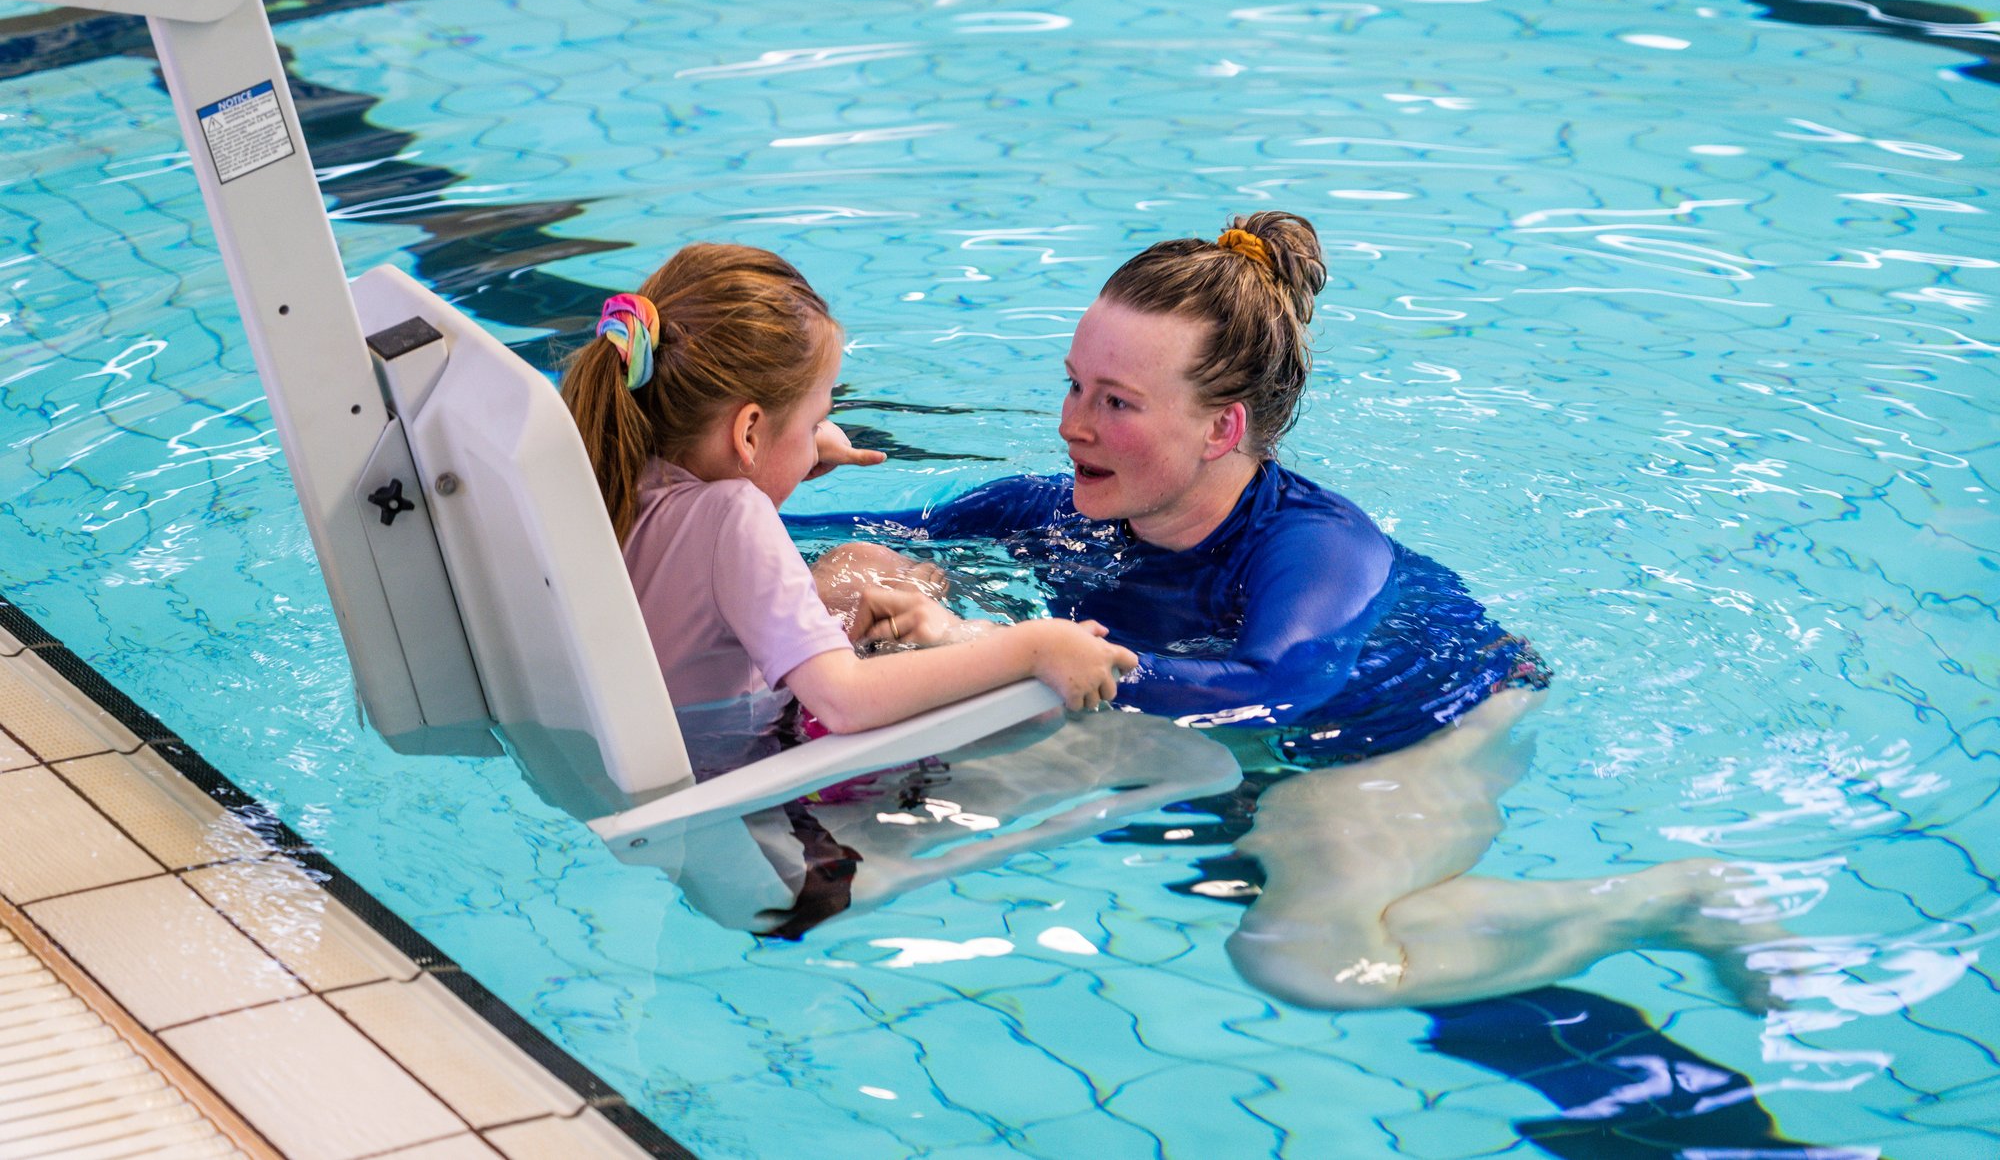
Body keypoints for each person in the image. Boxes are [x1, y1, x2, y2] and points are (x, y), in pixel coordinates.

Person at [794, 211, 1782, 1010]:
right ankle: (822, 797)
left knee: (1306, 961)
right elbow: (833, 536)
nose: (1070, 425)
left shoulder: (1313, 546)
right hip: (1191, 701)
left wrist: (994, 646)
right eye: (1071, 386)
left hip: (1394, 737)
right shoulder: (1062, 511)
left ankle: (1672, 897)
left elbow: (1274, 692)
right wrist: (771, 466)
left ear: (1222, 426)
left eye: (1115, 403)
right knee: (864, 567)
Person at [558, 241, 1136, 748]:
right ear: (749, 433)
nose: (820, 442)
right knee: (1035, 720)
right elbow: (845, 702)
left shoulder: (612, 448)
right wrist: (1032, 648)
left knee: (861, 566)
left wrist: (792, 452)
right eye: (815, 424)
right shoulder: (733, 517)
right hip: (744, 767)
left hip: (645, 728)